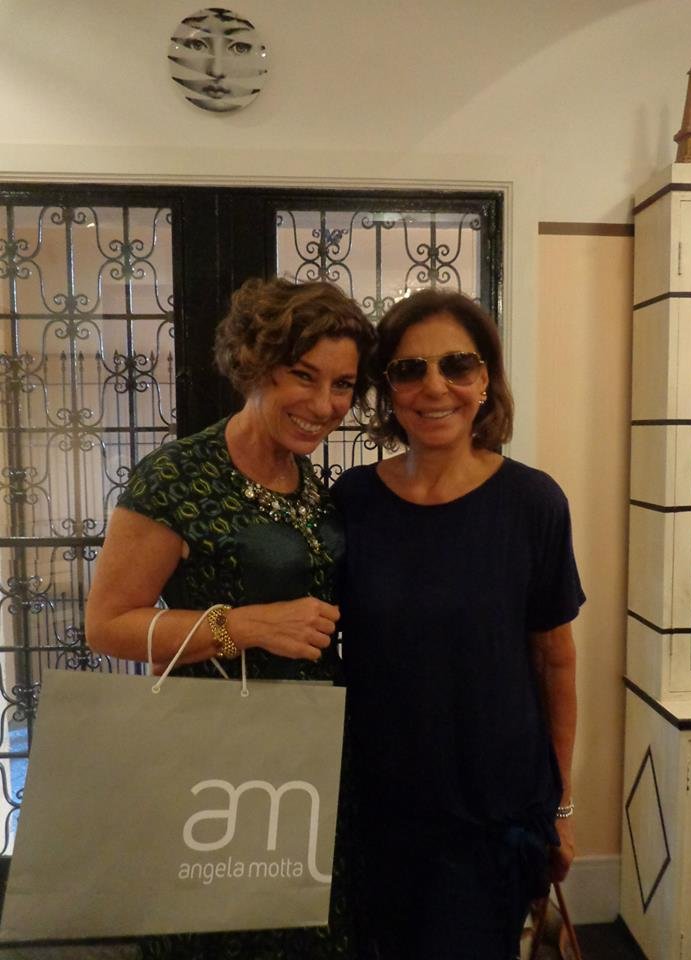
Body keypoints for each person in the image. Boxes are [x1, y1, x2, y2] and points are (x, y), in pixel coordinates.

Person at [85, 276, 375, 960]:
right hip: (216, 763)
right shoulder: (177, 477)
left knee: (311, 929)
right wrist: (241, 625)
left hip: (310, 759)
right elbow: (107, 625)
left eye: (342, 385)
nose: (324, 405)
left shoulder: (311, 484)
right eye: (303, 375)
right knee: (220, 926)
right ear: (255, 364)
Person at [332, 289, 584, 960]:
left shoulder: (533, 502)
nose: (434, 387)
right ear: (388, 389)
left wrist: (561, 808)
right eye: (409, 369)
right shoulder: (352, 502)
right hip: (377, 807)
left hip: (493, 815)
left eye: (458, 365)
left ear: (486, 379)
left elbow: (555, 660)